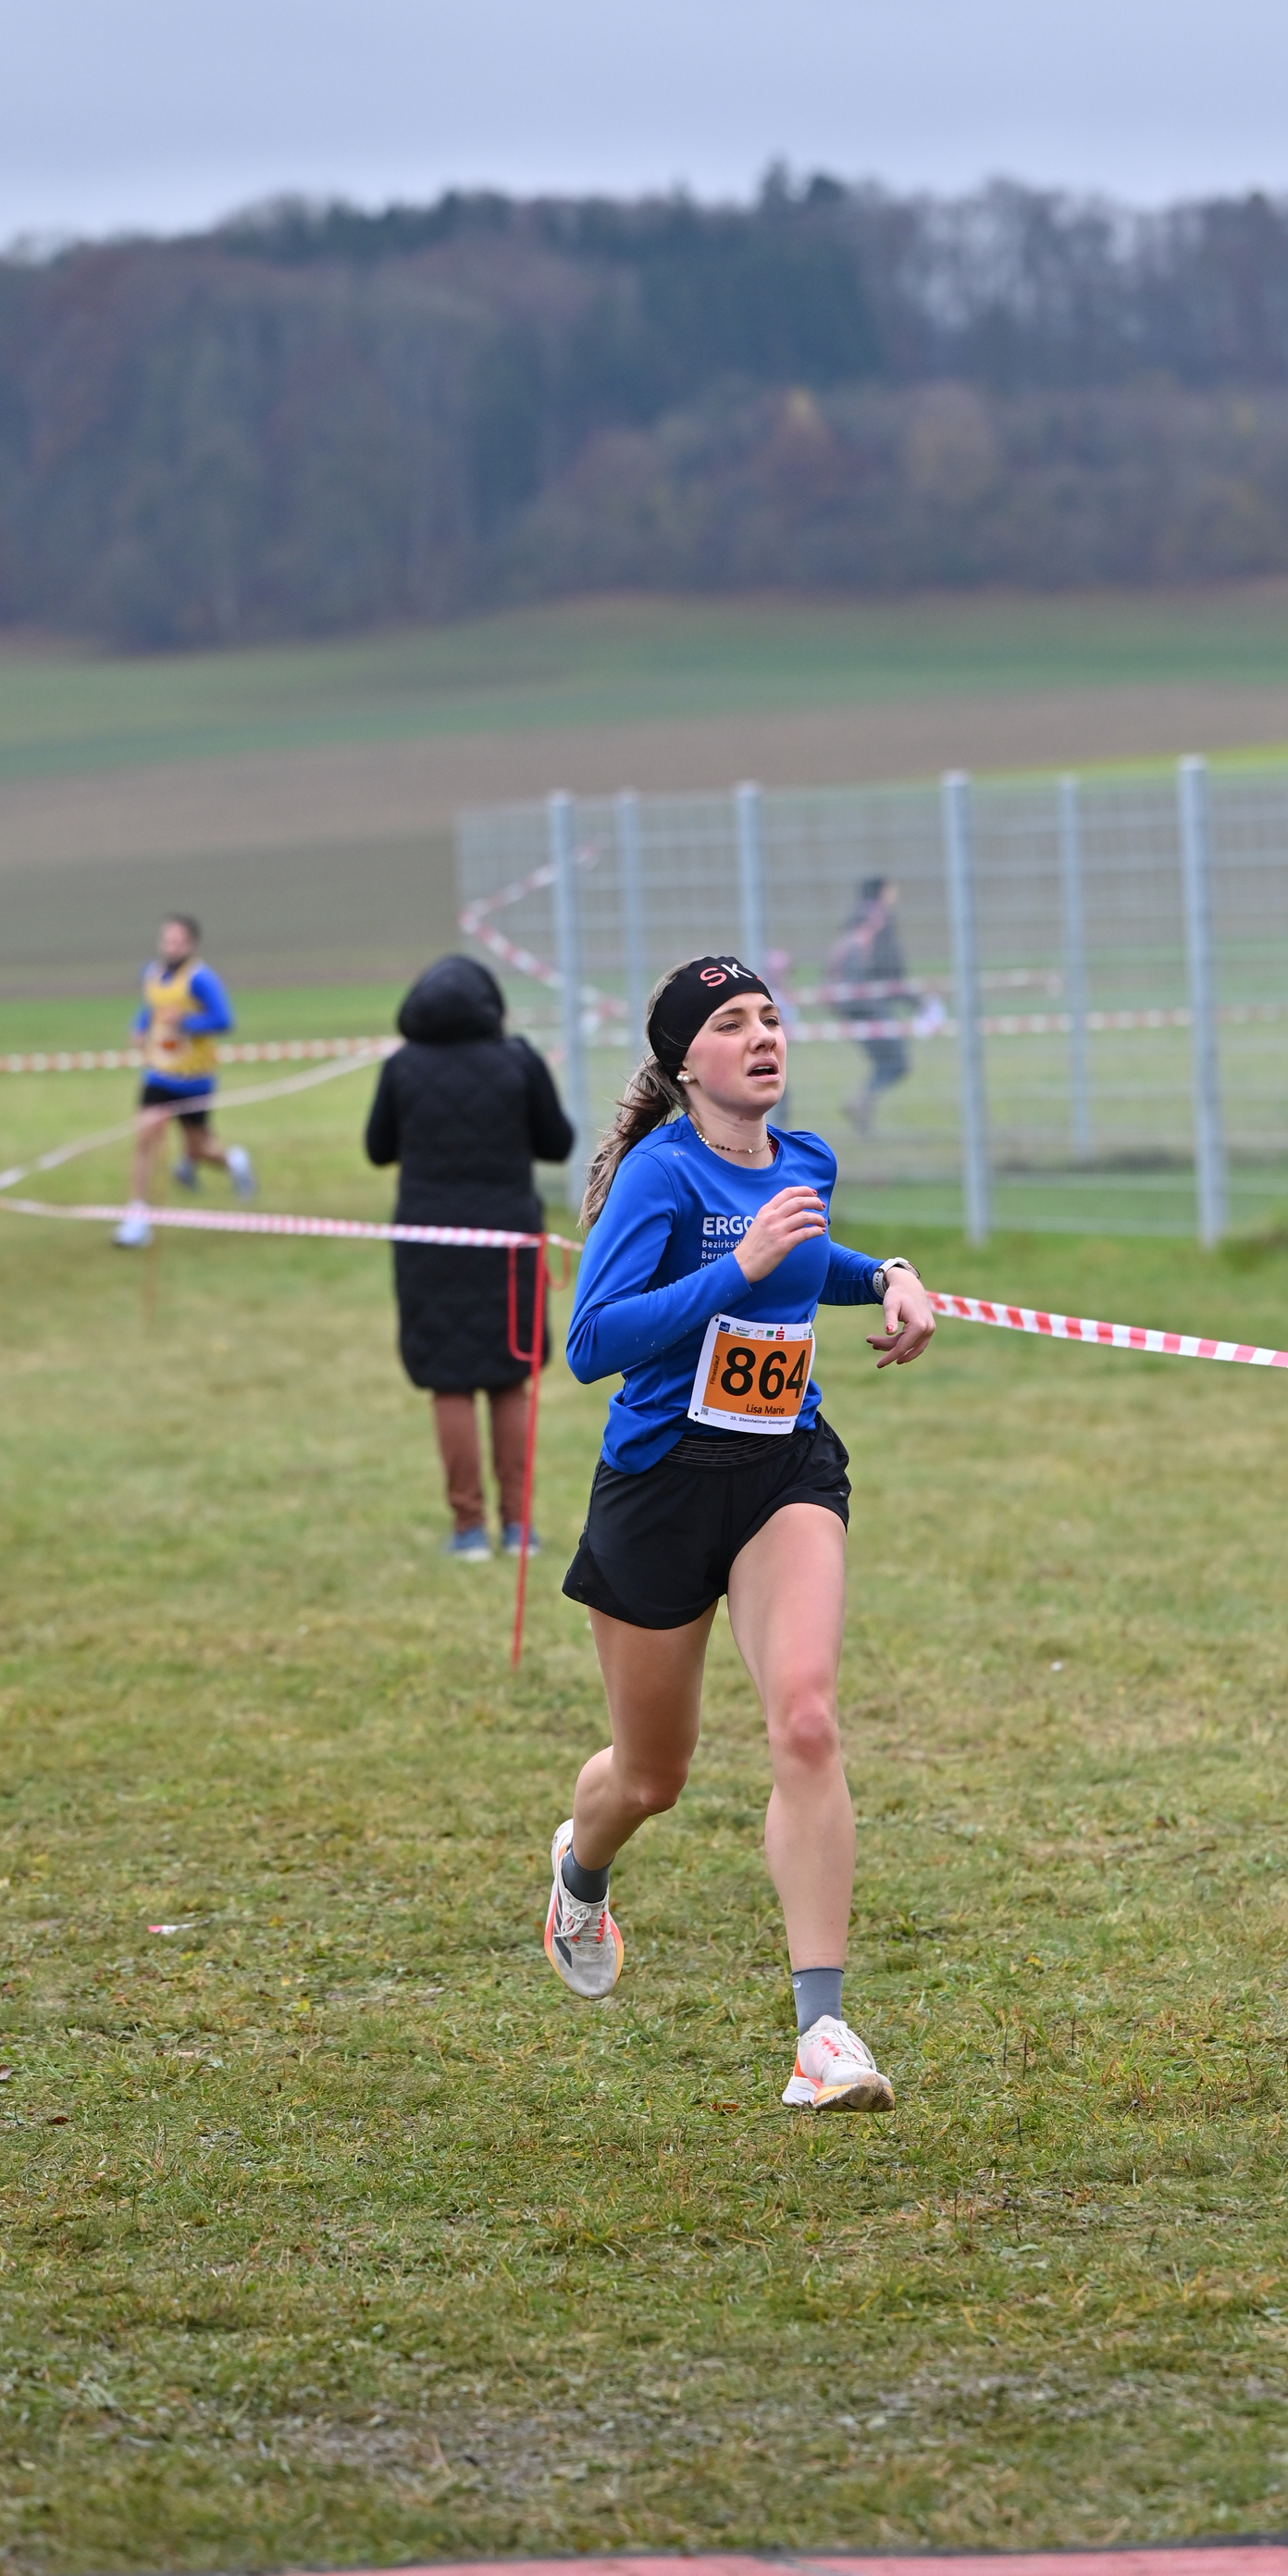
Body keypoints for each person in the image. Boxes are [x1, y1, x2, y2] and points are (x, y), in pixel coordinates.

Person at [544, 953, 935, 2111]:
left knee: (805, 1721)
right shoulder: (658, 1178)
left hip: (781, 1472)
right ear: (683, 1063)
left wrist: (890, 1276)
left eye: (770, 1017)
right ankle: (580, 1869)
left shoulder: (803, 1159)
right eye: (730, 1022)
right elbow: (592, 1342)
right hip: (659, 1486)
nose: (762, 1036)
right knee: (650, 1777)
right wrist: (737, 1267)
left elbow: (809, 1263)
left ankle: (821, 2037)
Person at [365, 954, 575, 1561]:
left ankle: (467, 1530)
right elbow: (557, 1142)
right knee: (510, 1376)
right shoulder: (518, 1060)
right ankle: (519, 1527)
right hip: (508, 1238)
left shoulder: (402, 1066)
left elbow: (378, 1148)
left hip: (429, 1241)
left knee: (448, 1381)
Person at [114, 914, 255, 1250]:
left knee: (198, 1150)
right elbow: (151, 1008)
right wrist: (139, 1028)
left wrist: (186, 1022)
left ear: (191, 944)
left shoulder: (201, 979)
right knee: (145, 1136)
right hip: (158, 1074)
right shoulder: (151, 974)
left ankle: (234, 1162)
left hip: (194, 1080)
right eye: (167, 940)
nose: (171, 947)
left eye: (178, 942)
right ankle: (137, 1218)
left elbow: (224, 1020)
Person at [824, 877, 914, 1136]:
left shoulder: (855, 919)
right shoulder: (880, 919)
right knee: (897, 1062)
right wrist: (917, 1002)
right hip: (869, 999)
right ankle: (861, 1100)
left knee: (885, 1060)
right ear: (883, 891)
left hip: (845, 1000)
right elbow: (890, 967)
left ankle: (863, 1111)